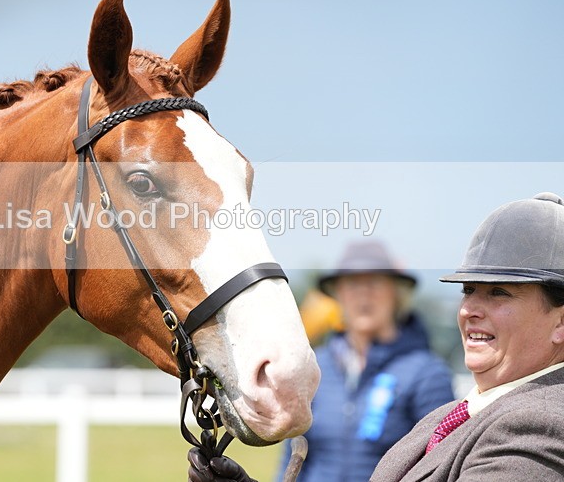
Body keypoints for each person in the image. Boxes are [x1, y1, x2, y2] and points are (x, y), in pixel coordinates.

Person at [188, 192, 564, 482]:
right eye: (468, 290)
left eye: (499, 292)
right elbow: (295, 457)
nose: (467, 310)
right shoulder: (320, 369)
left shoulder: (535, 426)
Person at [273, 240, 454, 482]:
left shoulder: (428, 373)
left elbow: (441, 464)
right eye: (353, 284)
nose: (363, 294)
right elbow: (293, 457)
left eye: (375, 283)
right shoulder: (315, 368)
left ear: (396, 293)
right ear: (338, 294)